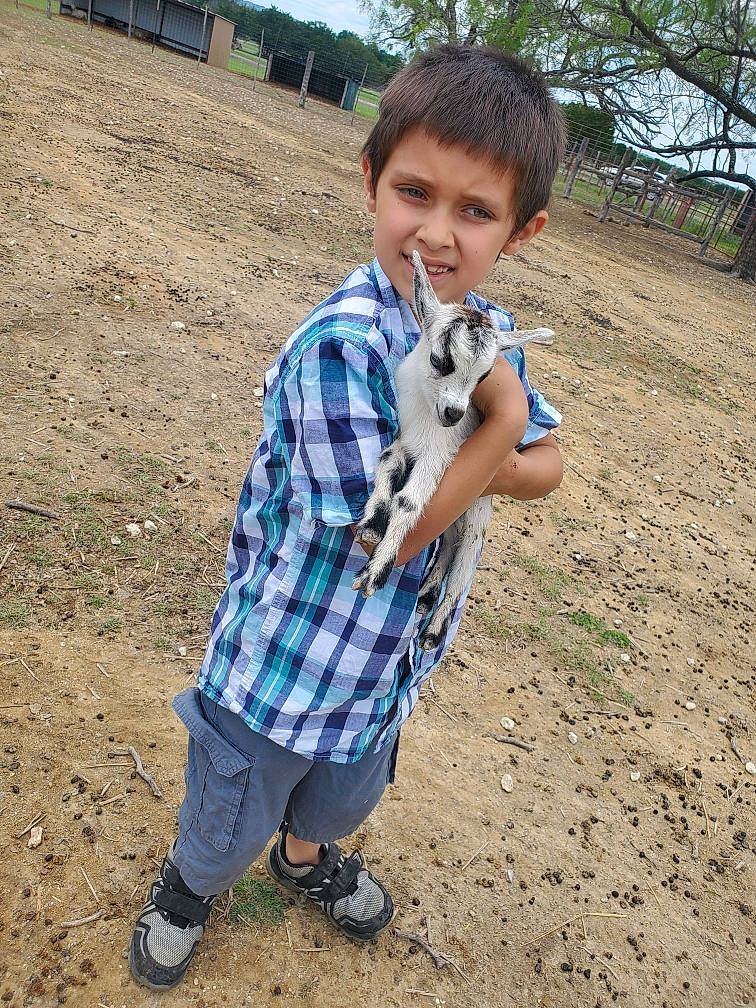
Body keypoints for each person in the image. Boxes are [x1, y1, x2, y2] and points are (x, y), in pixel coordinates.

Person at [129, 44, 565, 991]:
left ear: (519, 232)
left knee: (337, 796)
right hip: (284, 665)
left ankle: (301, 859)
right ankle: (187, 887)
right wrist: (505, 424)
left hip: (379, 666)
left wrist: (496, 438)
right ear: (371, 183)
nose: (437, 234)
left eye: (475, 211)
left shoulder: (476, 326)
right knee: (230, 810)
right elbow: (392, 531)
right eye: (416, 192)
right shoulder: (342, 345)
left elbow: (550, 468)